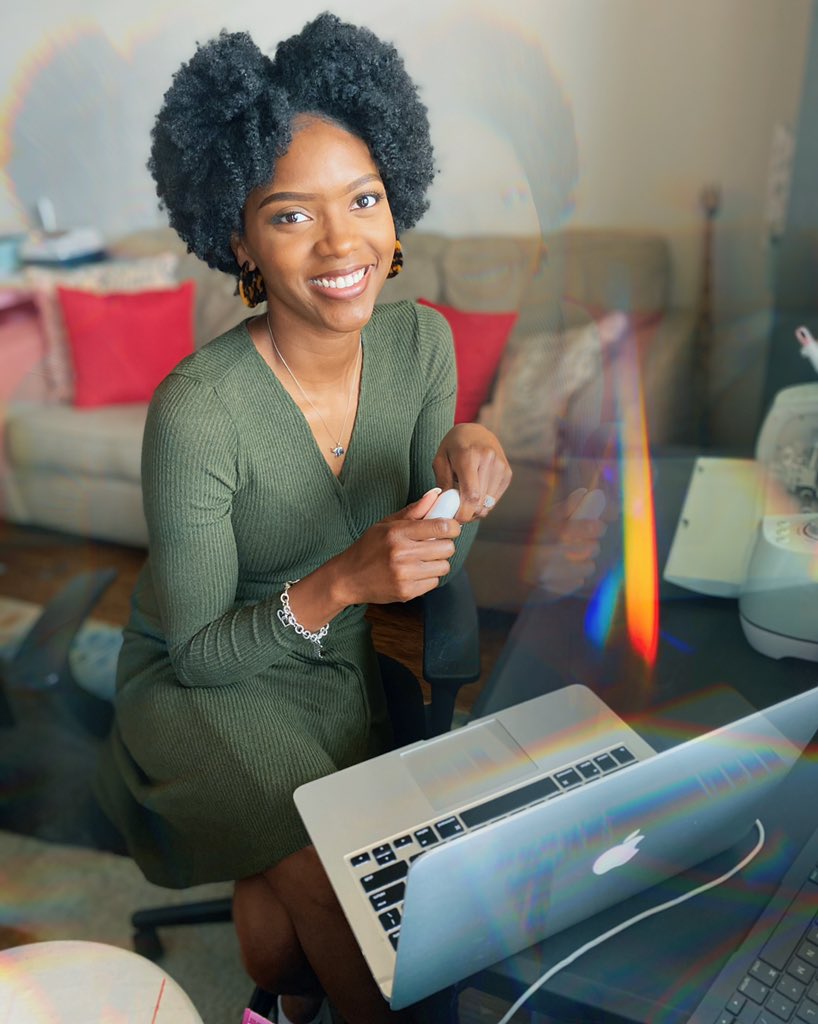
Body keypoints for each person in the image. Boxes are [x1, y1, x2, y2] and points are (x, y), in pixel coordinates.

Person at [94, 13, 517, 1024]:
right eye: (290, 215)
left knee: (288, 930)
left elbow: (423, 536)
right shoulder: (197, 409)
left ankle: (274, 986)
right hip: (204, 678)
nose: (342, 244)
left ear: (396, 205)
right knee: (356, 904)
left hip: (335, 672)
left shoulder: (423, 349)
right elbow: (195, 652)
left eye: (363, 199)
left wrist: (466, 464)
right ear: (236, 236)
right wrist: (340, 583)